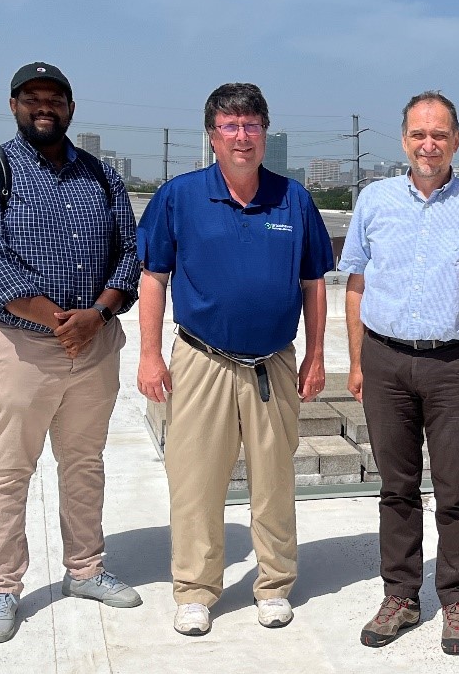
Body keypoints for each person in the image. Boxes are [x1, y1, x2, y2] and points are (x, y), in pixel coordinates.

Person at [0, 61, 143, 645]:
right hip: (16, 346)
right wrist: (56, 319)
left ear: (71, 106)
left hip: (93, 341)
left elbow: (129, 251)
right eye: (32, 98)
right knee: (9, 469)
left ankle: (85, 570)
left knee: (84, 463)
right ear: (13, 105)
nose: (45, 107)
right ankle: (2, 587)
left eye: (55, 98)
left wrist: (98, 314)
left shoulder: (101, 176)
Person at [136, 82, 334, 637]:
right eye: (230, 126)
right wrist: (150, 356)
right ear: (212, 136)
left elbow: (314, 281)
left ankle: (273, 584)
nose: (241, 136)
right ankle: (196, 589)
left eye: (251, 125)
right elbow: (154, 277)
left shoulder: (292, 198)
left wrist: (316, 355)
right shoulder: (179, 197)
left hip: (272, 363)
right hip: (201, 360)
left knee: (274, 481)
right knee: (195, 481)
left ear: (265, 134)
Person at [339, 91, 459, 655]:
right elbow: (356, 283)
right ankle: (402, 596)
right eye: (418, 134)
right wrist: (358, 358)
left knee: (457, 489)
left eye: (439, 135)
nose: (428, 144)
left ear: (456, 140)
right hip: (385, 360)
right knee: (397, 487)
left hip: (454, 363)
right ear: (404, 139)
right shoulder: (374, 200)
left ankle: (457, 599)